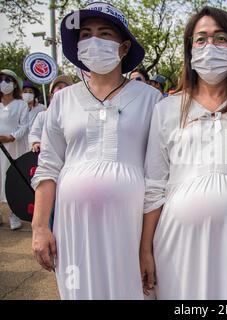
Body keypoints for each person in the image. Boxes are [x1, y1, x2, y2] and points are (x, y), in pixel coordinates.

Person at [140, 6, 227, 299]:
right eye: (200, 39)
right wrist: (145, 249)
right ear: (190, 50)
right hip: (177, 240)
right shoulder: (165, 110)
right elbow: (154, 185)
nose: (210, 46)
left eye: (220, 38)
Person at [31, 2, 161, 299]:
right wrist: (40, 227)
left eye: (105, 34)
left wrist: (148, 244)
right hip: (74, 226)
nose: (94, 40)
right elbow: (48, 166)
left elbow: (158, 175)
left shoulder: (151, 100)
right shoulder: (63, 100)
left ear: (124, 47)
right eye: (86, 34)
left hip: (130, 227)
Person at [0, 69, 28, 230]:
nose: (4, 82)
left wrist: (11, 137)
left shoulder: (21, 104)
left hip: (13, 148)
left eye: (8, 80)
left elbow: (24, 125)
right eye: (1, 79)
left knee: (12, 178)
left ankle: (14, 214)